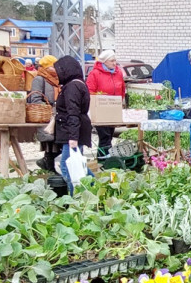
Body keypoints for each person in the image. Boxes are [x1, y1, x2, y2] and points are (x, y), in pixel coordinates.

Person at [54, 56, 93, 195]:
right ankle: (93, 189)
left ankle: (77, 196)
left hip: (72, 131)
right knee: (77, 165)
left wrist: (73, 137)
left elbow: (73, 112)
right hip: (75, 130)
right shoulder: (78, 84)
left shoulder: (72, 87)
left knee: (67, 166)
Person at [86, 50, 126, 153]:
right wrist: (100, 101)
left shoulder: (118, 73)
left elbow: (122, 89)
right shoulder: (95, 74)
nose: (114, 63)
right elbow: (90, 91)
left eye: (115, 60)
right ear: (104, 62)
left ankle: (106, 159)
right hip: (100, 109)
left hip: (113, 109)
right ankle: (103, 159)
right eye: (111, 61)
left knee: (109, 136)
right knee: (105, 137)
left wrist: (118, 103)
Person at [29, 54, 60, 172]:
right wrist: (49, 109)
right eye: (53, 66)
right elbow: (35, 99)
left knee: (57, 145)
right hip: (46, 117)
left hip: (57, 117)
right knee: (50, 144)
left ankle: (50, 167)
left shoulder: (57, 80)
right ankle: (49, 167)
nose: (56, 69)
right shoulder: (39, 79)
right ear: (47, 67)